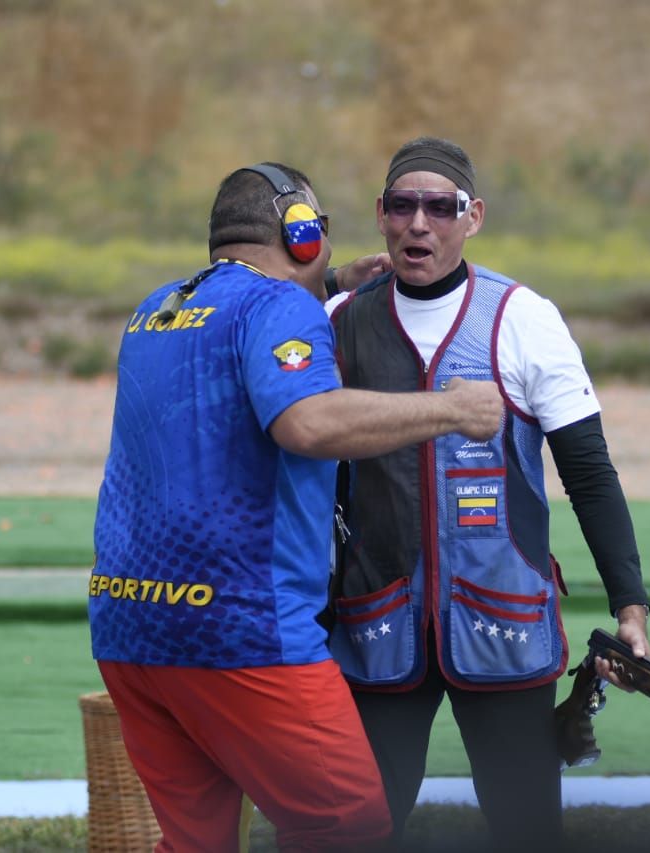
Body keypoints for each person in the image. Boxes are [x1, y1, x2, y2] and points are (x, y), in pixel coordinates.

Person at [88, 161, 504, 853]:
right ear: (300, 233)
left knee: (196, 843)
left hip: (129, 628)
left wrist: (334, 286)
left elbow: (238, 326)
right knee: (348, 825)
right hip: (240, 628)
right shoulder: (280, 309)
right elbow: (306, 423)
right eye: (320, 232)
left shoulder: (156, 308)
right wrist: (452, 408)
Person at [324, 137, 650, 850]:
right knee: (356, 832)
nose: (420, 224)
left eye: (440, 207)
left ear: (473, 217)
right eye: (404, 205)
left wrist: (630, 606)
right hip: (374, 622)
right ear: (380, 214)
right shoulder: (338, 319)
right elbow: (240, 320)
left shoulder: (526, 318)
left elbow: (590, 474)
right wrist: (322, 283)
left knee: (527, 830)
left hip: (503, 621)